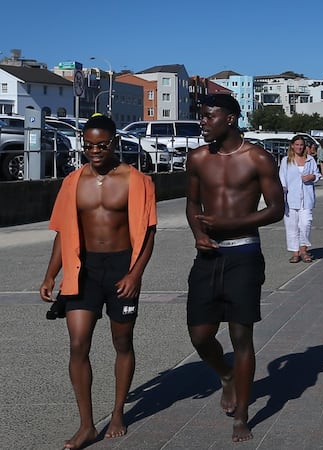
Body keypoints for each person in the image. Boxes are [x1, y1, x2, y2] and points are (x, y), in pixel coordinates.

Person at [39, 114, 157, 449]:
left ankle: (118, 412)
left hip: (122, 267)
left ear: (114, 142)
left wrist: (135, 274)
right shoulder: (73, 182)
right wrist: (51, 274)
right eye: (88, 145)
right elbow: (63, 231)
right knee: (78, 344)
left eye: (101, 145)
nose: (94, 151)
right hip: (84, 269)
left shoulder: (137, 181)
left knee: (122, 342)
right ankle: (87, 425)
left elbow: (148, 234)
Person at [185, 94, 285, 442]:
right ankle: (225, 374)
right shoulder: (197, 157)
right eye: (201, 116)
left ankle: (242, 413)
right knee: (200, 334)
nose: (203, 122)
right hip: (209, 255)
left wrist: (231, 224)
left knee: (241, 336)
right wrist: (198, 233)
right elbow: (192, 201)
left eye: (209, 116)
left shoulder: (257, 157)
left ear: (230, 119)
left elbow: (276, 208)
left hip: (243, 253)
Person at [279, 136, 321, 263]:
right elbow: (282, 180)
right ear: (292, 145)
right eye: (296, 144)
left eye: (301, 145)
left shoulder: (310, 160)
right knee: (292, 227)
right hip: (291, 199)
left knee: (306, 223)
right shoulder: (286, 161)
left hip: (306, 199)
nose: (299, 147)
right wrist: (282, 194)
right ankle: (295, 252)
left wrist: (312, 177)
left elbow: (318, 174)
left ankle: (304, 250)